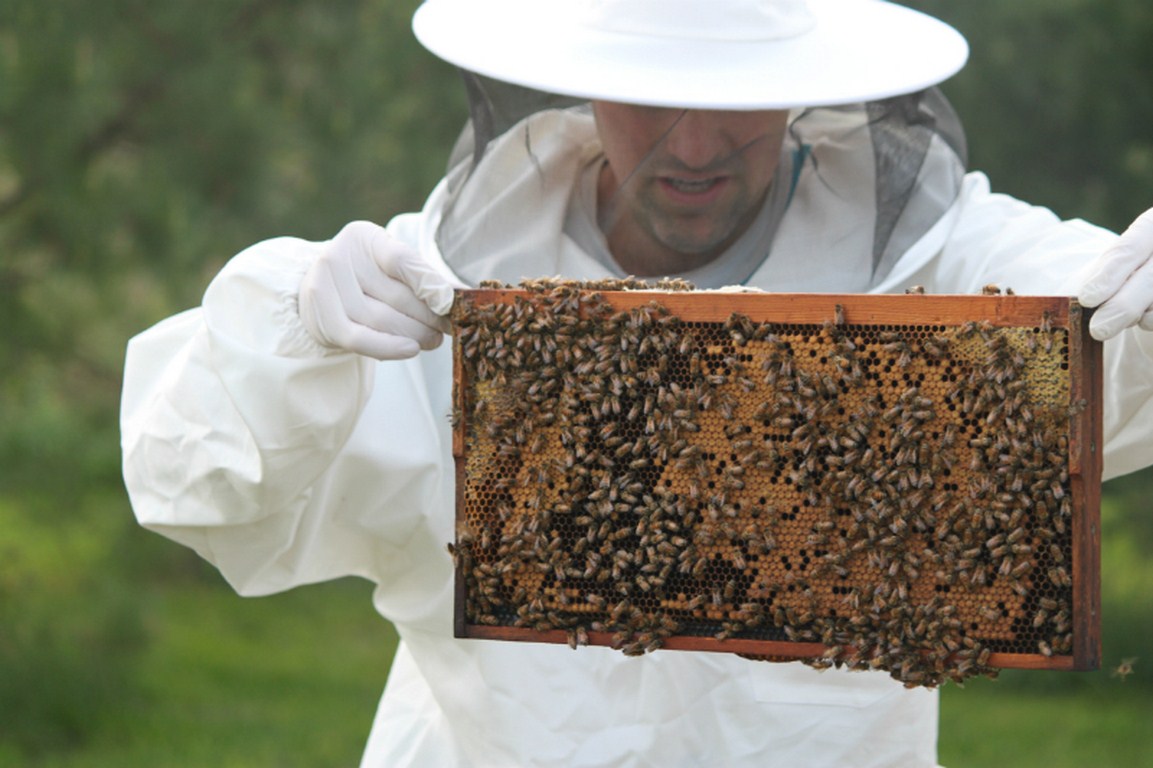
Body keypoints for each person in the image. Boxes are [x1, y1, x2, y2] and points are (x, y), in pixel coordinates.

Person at [120, 0, 1153, 765]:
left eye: (736, 104)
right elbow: (204, 483)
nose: (694, 145)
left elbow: (1094, 320)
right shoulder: (433, 290)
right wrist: (287, 330)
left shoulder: (933, 260)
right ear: (577, 76)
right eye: (653, 99)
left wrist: (1132, 298)